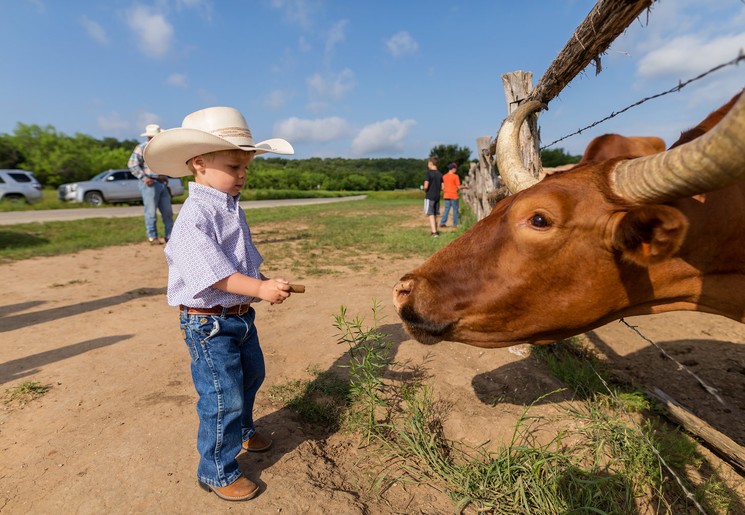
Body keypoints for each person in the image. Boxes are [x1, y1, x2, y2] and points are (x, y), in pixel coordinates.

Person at [143, 106, 295, 502]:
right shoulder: (195, 216)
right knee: (222, 394)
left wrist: (261, 283)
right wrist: (259, 290)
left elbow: (238, 263)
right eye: (234, 166)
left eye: (246, 167)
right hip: (208, 324)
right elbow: (213, 275)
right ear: (199, 165)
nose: (243, 175)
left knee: (250, 378)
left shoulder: (228, 208)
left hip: (239, 318)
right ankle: (215, 470)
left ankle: (243, 432)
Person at [128, 123, 174, 244]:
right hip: (149, 183)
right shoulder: (142, 148)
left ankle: (170, 236)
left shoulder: (162, 150)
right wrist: (143, 177)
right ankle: (152, 237)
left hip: (161, 183)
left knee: (167, 212)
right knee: (151, 212)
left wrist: (164, 175)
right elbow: (132, 164)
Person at [423, 155, 443, 236]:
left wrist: (424, 190)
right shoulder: (440, 174)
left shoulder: (428, 173)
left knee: (430, 214)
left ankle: (434, 232)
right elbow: (442, 187)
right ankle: (435, 230)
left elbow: (425, 186)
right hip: (437, 196)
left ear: (431, 163)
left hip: (430, 196)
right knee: (435, 214)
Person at [439, 162, 462, 228]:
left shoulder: (444, 176)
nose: (456, 170)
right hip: (454, 195)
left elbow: (442, 187)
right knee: (455, 210)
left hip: (446, 195)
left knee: (446, 210)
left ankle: (442, 223)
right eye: (455, 168)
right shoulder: (456, 176)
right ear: (453, 169)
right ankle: (455, 224)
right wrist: (465, 187)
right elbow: (458, 187)